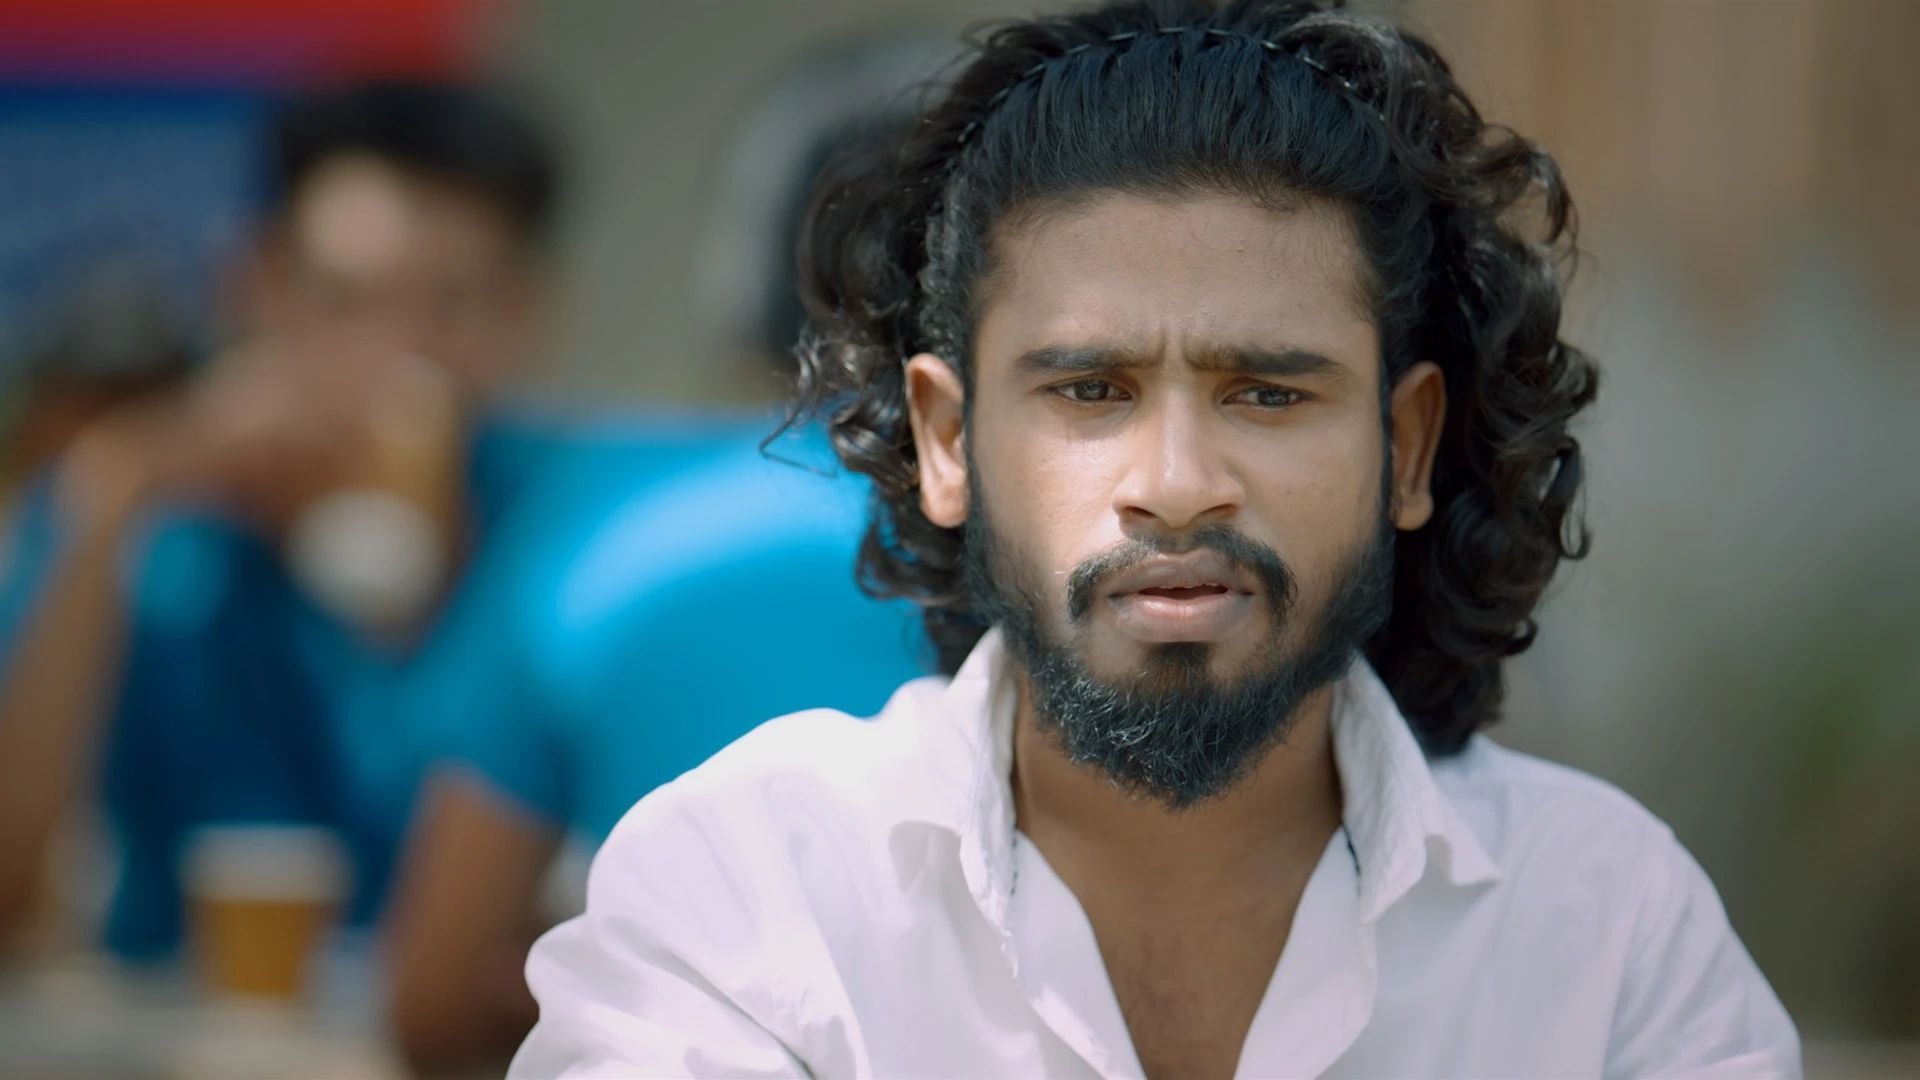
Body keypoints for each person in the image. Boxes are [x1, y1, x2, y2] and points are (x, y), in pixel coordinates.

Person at [511, 1, 1801, 1077]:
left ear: (1406, 449)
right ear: (949, 441)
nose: (1178, 487)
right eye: (1090, 390)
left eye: (1269, 393)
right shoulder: (748, 900)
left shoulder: (1609, 933)